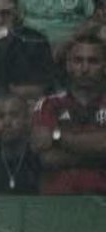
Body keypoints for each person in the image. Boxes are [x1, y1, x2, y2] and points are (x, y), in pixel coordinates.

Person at [31, 34, 106, 194]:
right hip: (58, 202)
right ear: (68, 65)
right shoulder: (47, 104)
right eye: (78, 61)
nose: (85, 68)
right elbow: (47, 159)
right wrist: (98, 156)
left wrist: (56, 136)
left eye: (93, 61)